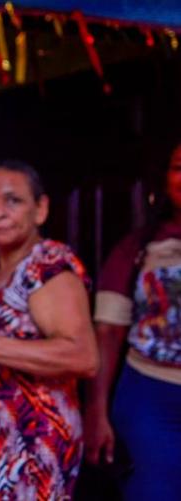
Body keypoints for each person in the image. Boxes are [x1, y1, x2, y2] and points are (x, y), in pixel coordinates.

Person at [0, 161, 99, 500]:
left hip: (31, 440)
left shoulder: (48, 265)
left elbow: (82, 356)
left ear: (41, 209)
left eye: (13, 200)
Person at [84, 143, 181, 499]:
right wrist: (96, 412)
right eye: (179, 167)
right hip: (150, 397)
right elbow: (107, 332)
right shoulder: (138, 248)